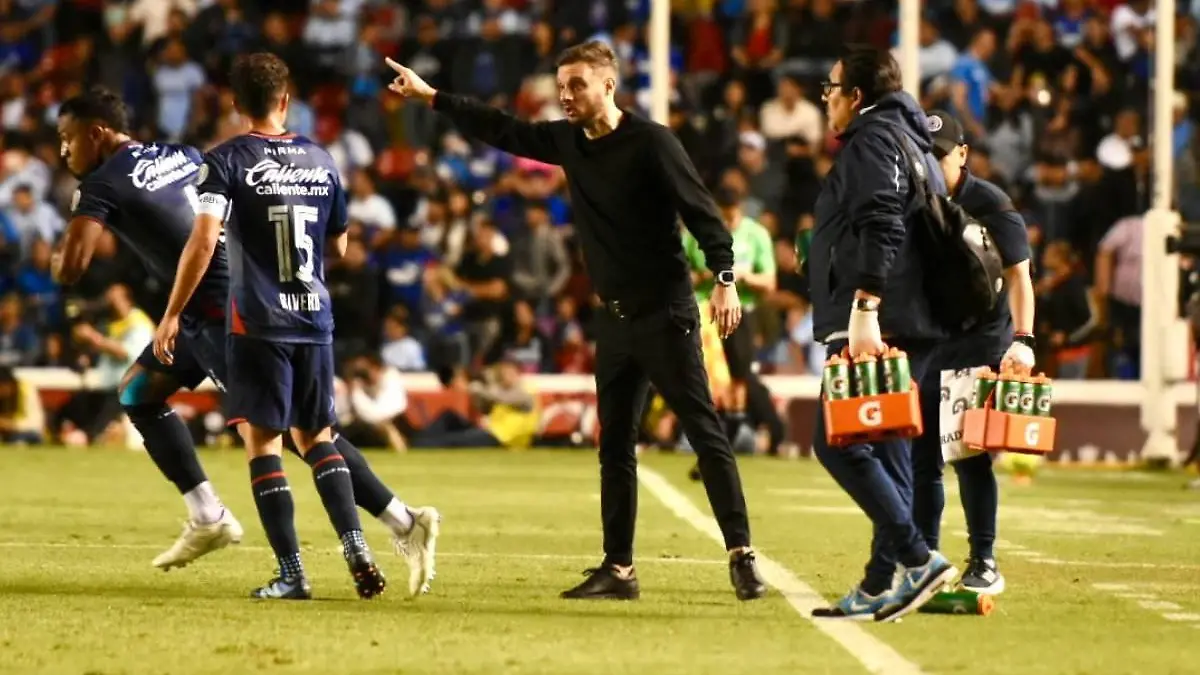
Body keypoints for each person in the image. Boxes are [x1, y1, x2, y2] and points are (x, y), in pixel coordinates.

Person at [385, 41, 767, 601]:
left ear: (609, 85)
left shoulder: (653, 142)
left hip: (666, 314)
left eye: (577, 85)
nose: (566, 95)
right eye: (562, 86)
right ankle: (620, 570)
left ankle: (741, 555)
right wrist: (433, 97)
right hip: (613, 322)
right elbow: (502, 128)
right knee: (615, 447)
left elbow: (703, 214)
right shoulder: (566, 140)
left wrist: (726, 278)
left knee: (705, 433)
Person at [54, 85, 439, 598]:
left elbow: (73, 269)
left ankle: (401, 521)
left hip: (223, 314)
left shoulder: (101, 183)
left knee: (298, 433)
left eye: (68, 138)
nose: (64, 150)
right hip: (221, 303)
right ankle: (208, 515)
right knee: (139, 391)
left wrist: (56, 254)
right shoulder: (182, 153)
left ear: (97, 133)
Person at [806, 46, 957, 622]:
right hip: (910, 318)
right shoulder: (912, 140)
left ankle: (918, 560)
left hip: (883, 320)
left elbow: (883, 223)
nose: (826, 97)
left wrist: (864, 308)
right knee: (891, 457)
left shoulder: (873, 140)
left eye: (831, 87)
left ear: (857, 95)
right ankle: (877, 584)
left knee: (837, 441)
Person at [910, 110, 1037, 597]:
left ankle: (984, 559)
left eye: (940, 154)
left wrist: (1023, 340)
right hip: (930, 338)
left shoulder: (990, 203)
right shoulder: (910, 199)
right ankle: (924, 560)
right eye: (925, 154)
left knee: (968, 454)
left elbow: (1020, 276)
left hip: (981, 338)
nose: (933, 162)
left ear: (962, 154)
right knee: (922, 457)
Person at [681, 186, 777, 477]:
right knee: (704, 380)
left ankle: (725, 445)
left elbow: (769, 282)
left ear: (741, 211)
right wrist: (703, 276)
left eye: (731, 217)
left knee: (739, 379)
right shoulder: (696, 233)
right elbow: (679, 274)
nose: (727, 223)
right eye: (723, 217)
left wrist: (746, 277)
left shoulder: (756, 235)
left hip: (740, 313)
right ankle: (718, 445)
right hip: (702, 315)